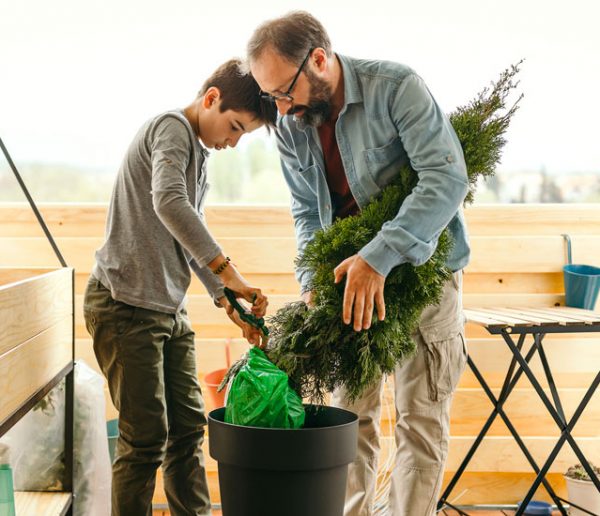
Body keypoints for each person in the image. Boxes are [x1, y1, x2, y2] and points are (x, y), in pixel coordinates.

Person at [248, 12, 469, 516]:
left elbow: (446, 177)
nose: (281, 108)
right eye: (271, 98)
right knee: (351, 418)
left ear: (319, 60)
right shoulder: (291, 125)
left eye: (284, 91)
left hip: (425, 276)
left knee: (421, 419)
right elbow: (306, 210)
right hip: (347, 284)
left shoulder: (396, 88)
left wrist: (379, 256)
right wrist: (309, 279)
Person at [83, 58, 276, 516]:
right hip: (124, 305)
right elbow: (169, 202)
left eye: (242, 136)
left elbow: (187, 232)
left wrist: (226, 298)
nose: (232, 142)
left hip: (167, 310)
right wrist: (229, 271)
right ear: (210, 98)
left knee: (188, 430)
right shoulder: (171, 128)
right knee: (145, 438)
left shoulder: (199, 156)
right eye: (234, 127)